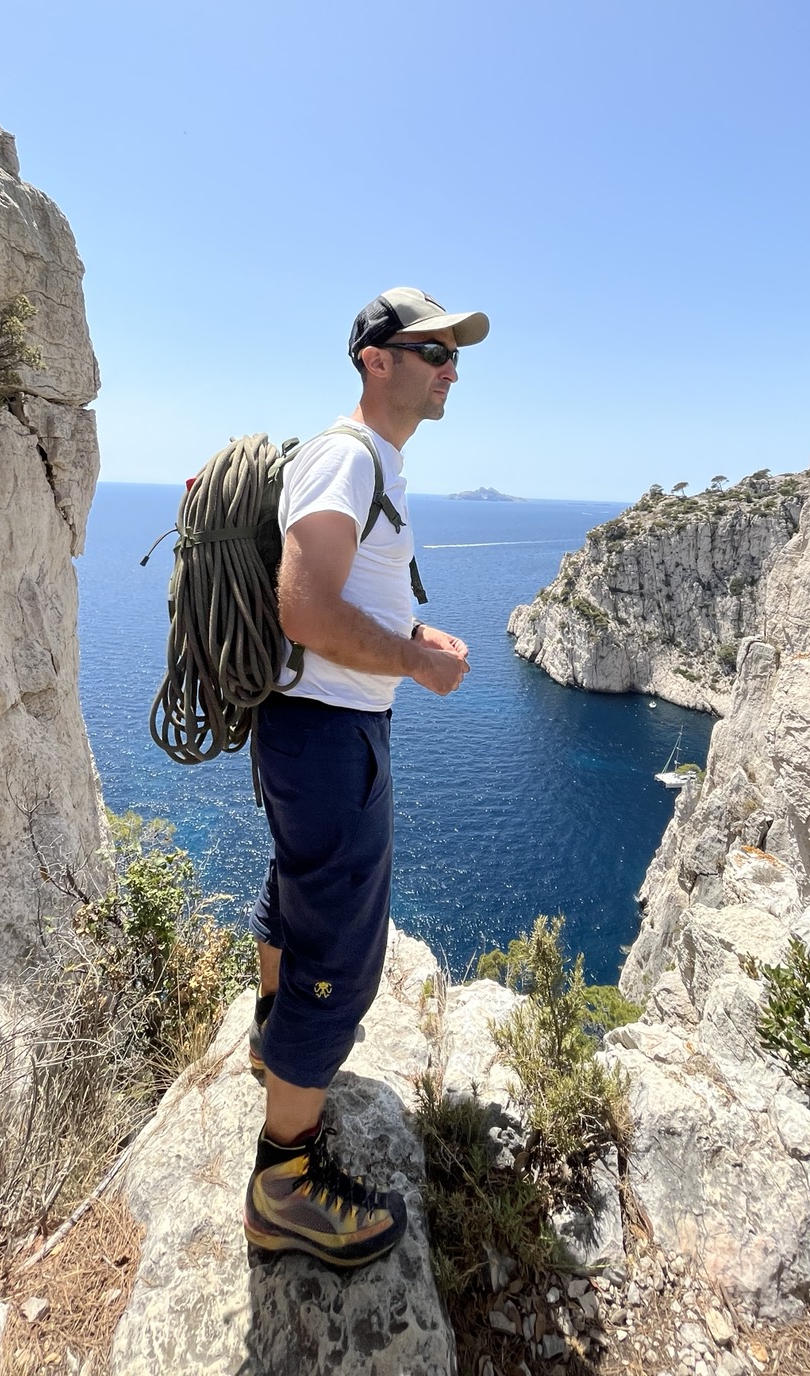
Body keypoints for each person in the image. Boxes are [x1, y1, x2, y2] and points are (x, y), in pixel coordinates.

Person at [243, 285, 490, 1269]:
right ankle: (285, 1185)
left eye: (453, 353)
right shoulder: (349, 456)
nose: (451, 369)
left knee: (298, 893)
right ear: (376, 358)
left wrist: (409, 631)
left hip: (316, 728)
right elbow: (305, 606)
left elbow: (343, 593)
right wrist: (416, 660)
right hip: (331, 734)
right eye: (433, 351)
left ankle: (275, 1041)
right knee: (340, 958)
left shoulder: (367, 461)